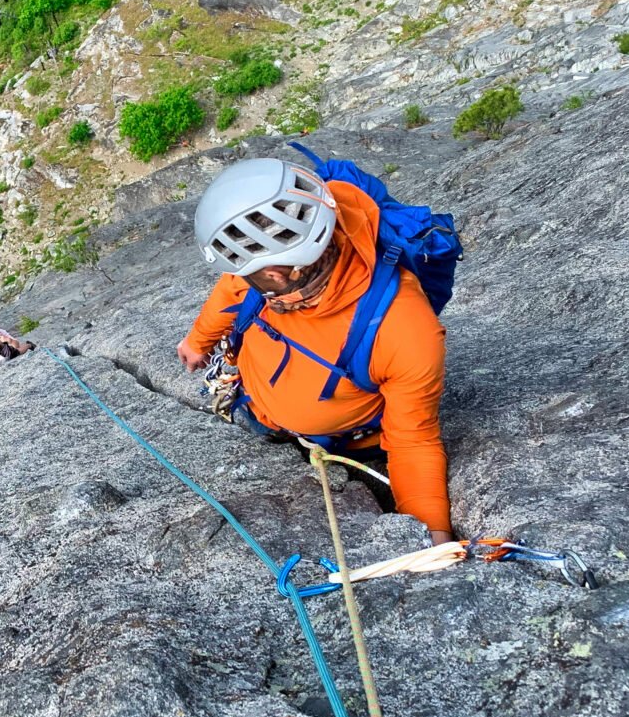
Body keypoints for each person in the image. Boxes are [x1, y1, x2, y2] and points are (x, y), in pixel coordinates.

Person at [175, 158, 456, 545]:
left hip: (343, 443)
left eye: (248, 272)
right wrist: (198, 342)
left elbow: (414, 441)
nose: (241, 279)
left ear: (277, 273)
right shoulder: (287, 249)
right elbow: (231, 291)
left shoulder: (404, 329)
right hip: (257, 405)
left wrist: (432, 538)